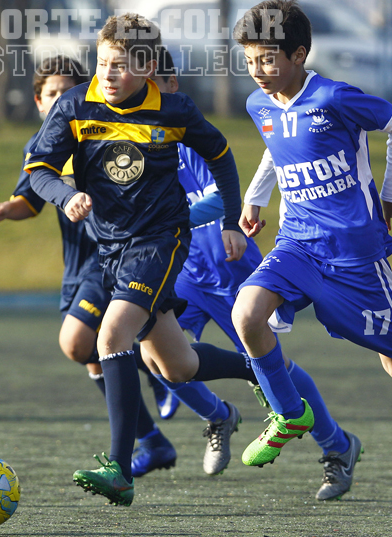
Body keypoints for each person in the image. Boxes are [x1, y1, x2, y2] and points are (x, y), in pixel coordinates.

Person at [231, 1, 392, 529]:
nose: (257, 70)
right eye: (250, 60)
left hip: (355, 257)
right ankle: (290, 412)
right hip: (298, 243)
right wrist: (255, 197)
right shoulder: (260, 104)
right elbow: (278, 146)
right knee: (246, 314)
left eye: (268, 59)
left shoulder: (335, 97)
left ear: (300, 55)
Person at [24, 13, 257, 506]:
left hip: (160, 240)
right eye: (102, 63)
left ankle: (120, 467)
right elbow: (39, 169)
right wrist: (65, 197)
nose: (107, 75)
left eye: (120, 66)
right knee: (177, 366)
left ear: (148, 66)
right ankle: (262, 370)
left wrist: (233, 219)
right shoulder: (75, 104)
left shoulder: (172, 110)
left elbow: (221, 154)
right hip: (111, 248)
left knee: (111, 336)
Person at [151, 47, 364, 500]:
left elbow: (221, 194)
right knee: (156, 354)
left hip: (229, 268)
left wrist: (179, 217)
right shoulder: (131, 145)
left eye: (152, 83)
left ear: (171, 86)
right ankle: (217, 416)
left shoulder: (188, 137)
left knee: (270, 365)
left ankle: (337, 446)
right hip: (182, 271)